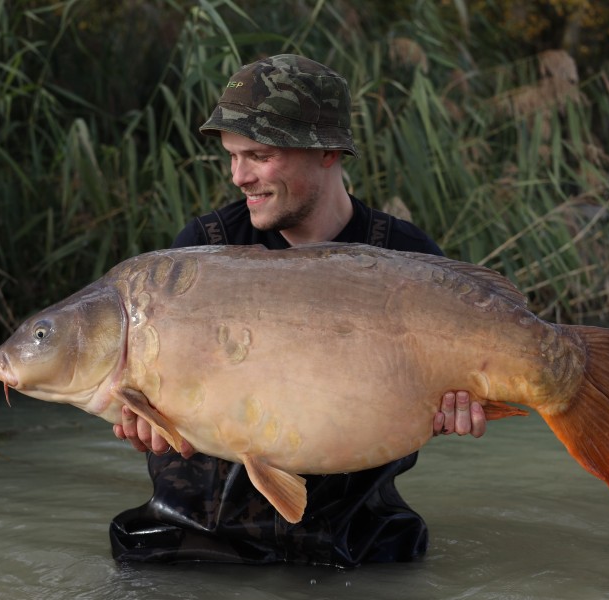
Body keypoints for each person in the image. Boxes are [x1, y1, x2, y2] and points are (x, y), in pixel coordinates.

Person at [109, 54, 486, 568]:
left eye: (258, 155)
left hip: (352, 542)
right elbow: (174, 411)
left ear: (328, 150)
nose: (239, 177)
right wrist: (155, 428)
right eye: (232, 156)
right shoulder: (202, 252)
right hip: (201, 542)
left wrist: (451, 408)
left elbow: (438, 400)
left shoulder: (405, 259)